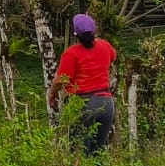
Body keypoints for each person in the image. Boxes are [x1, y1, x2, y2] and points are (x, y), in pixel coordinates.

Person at [47, 14, 117, 154]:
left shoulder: (71, 54)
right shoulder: (105, 46)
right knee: (98, 152)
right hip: (106, 103)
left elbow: (61, 80)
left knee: (79, 153)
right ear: (94, 31)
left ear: (76, 34)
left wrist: (52, 93)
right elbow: (113, 57)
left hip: (83, 104)